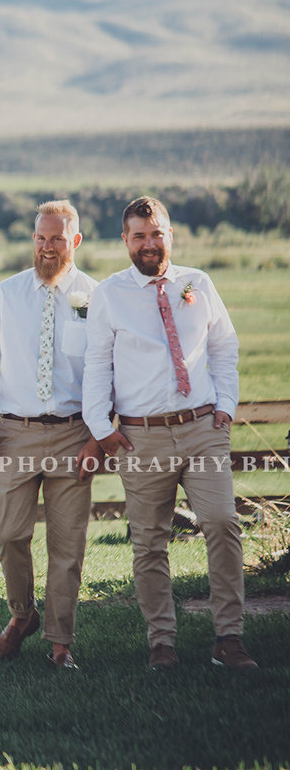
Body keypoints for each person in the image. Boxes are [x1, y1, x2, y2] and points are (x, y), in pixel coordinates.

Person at [82, 196, 256, 670]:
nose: (148, 243)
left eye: (156, 233)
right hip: (141, 438)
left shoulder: (197, 283)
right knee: (149, 541)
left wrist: (225, 406)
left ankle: (229, 638)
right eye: (139, 235)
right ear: (125, 240)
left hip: (202, 428)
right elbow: (97, 364)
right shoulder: (110, 294)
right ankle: (162, 642)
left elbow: (223, 343)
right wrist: (102, 429)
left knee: (222, 522)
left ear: (170, 234)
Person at [0, 201, 100, 670]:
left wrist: (99, 437)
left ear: (75, 242)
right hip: (16, 434)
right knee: (7, 532)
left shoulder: (96, 296)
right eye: (40, 238)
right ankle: (22, 615)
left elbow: (108, 371)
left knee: (68, 545)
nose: (47, 248)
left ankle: (60, 643)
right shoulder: (5, 294)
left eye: (57, 239)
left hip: (74, 433)